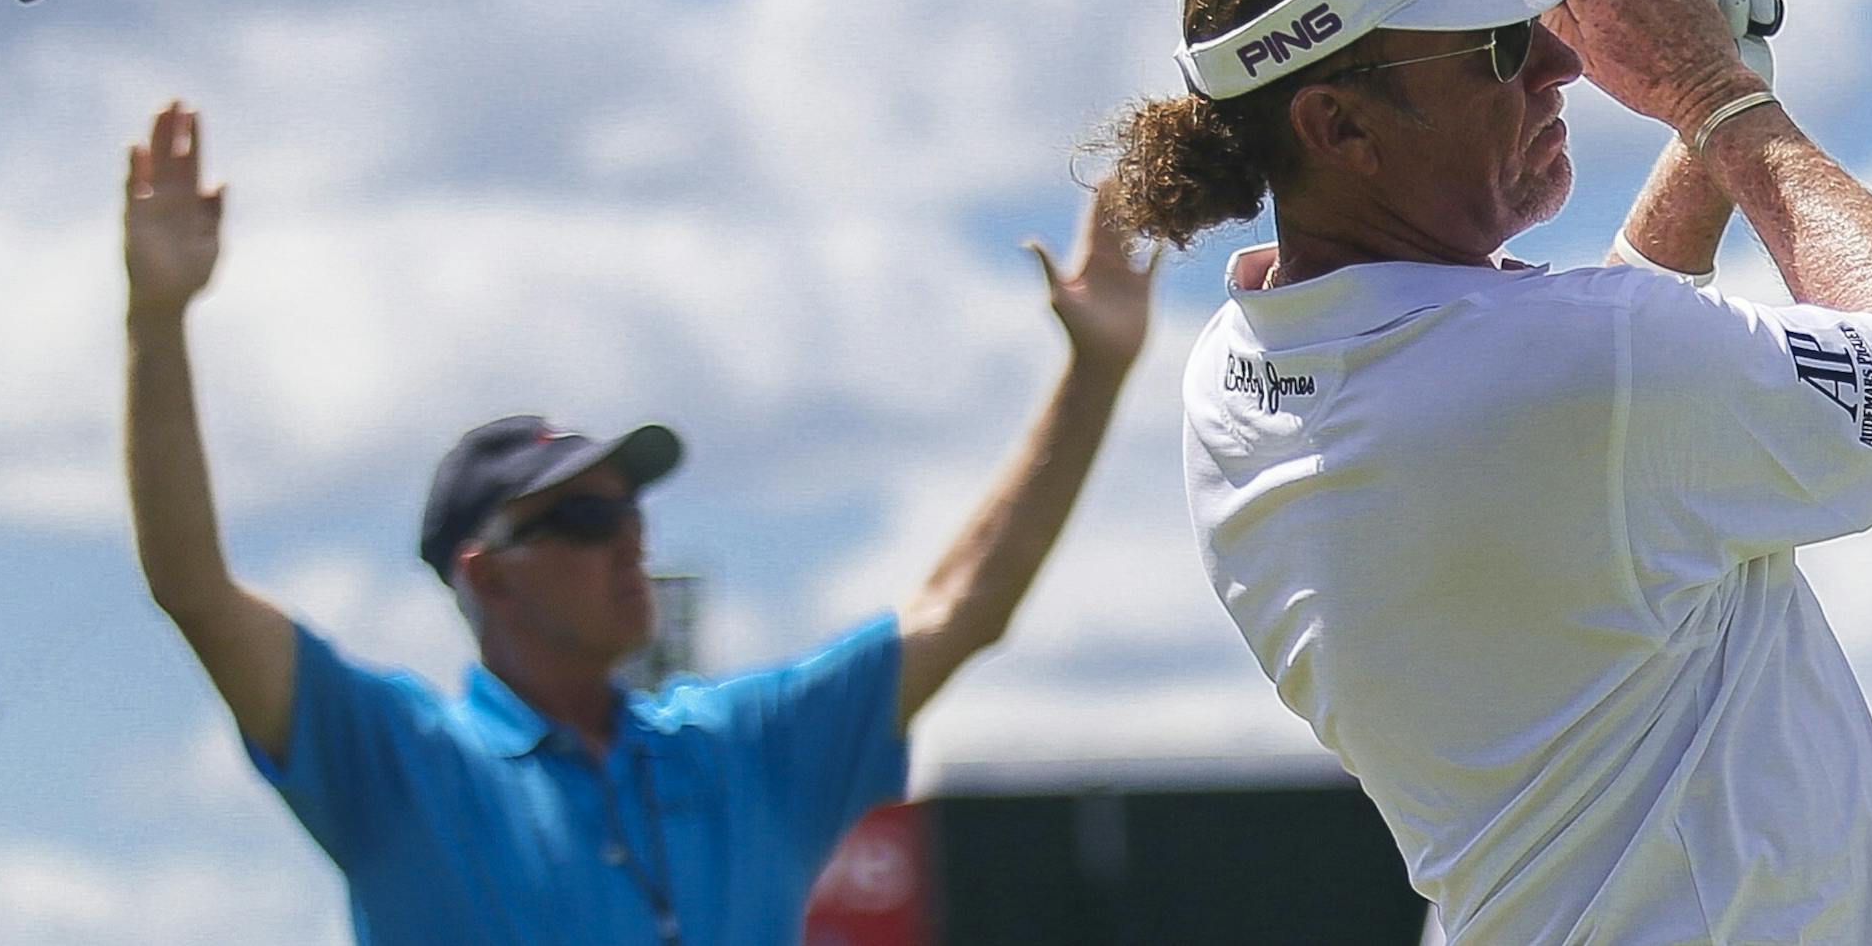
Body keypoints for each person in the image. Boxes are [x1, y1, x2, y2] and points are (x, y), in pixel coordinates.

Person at [1101, 0, 1872, 944]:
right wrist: (1713, 96)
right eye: (1496, 43)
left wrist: (1715, 108)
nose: (1557, 62)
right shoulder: (1581, 375)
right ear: (1339, 126)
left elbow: (1609, 421)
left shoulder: (1238, 369)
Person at [122, 102, 1155, 945]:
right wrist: (157, 319)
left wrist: (1095, 372)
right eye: (581, 518)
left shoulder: (741, 747)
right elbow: (193, 589)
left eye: (629, 508)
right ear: (487, 575)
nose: (629, 538)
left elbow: (962, 607)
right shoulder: (401, 760)